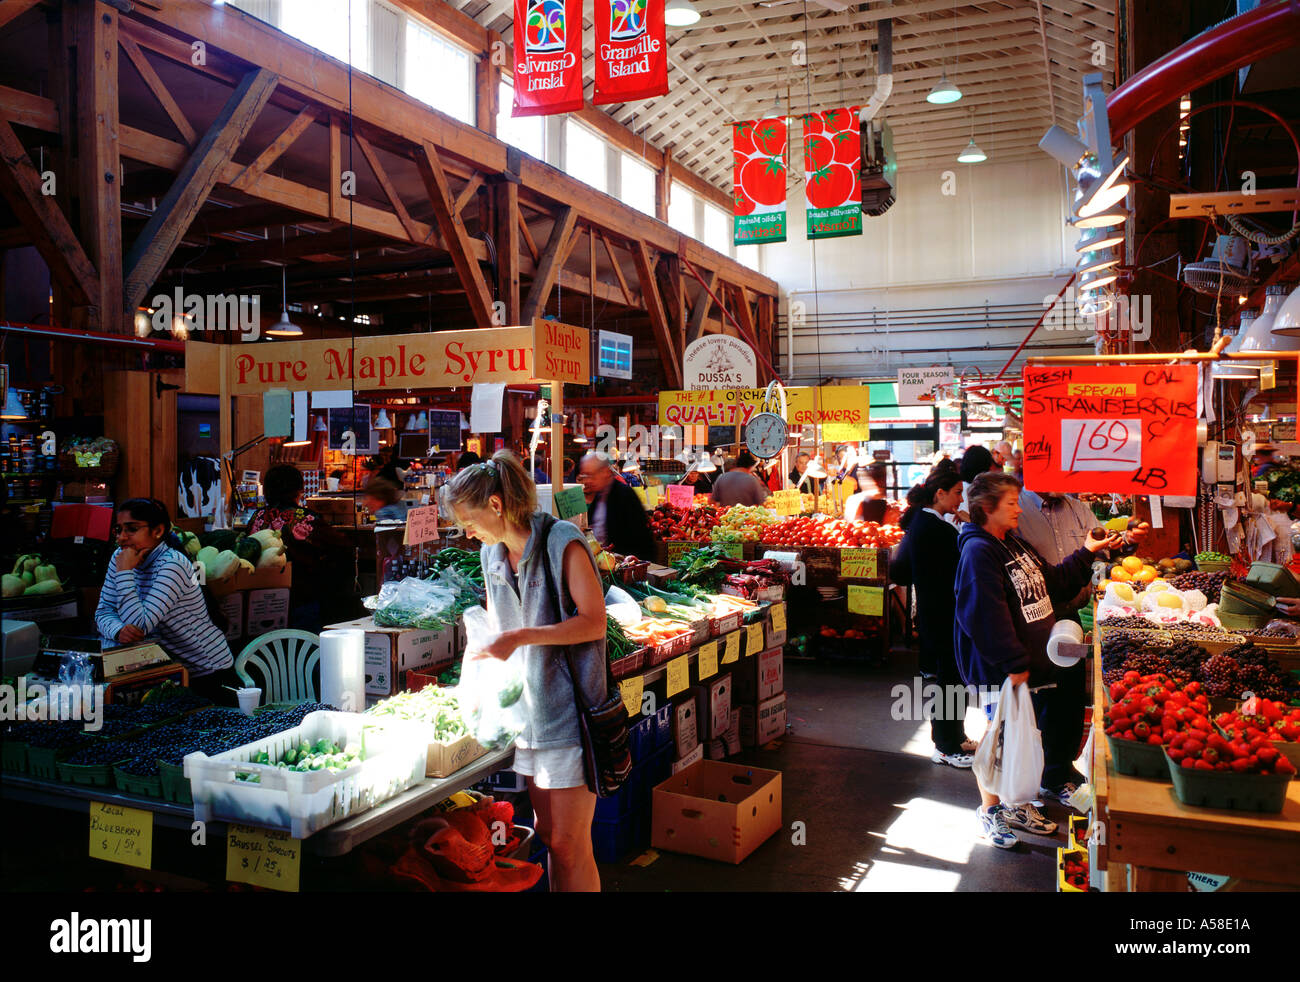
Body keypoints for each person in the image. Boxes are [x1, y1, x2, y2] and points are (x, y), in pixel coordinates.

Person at [445, 452, 607, 892]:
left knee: (572, 844)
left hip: (571, 719)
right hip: (528, 719)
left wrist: (517, 638)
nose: (467, 530)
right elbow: (500, 628)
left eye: (468, 518)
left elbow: (594, 621)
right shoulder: (490, 556)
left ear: (496, 505)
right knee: (552, 839)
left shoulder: (562, 541)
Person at [955, 472, 1118, 849]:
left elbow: (1055, 582)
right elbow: (983, 615)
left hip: (1028, 663)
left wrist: (1087, 551)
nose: (1017, 509)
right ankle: (990, 810)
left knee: (1023, 736)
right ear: (986, 509)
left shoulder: (1014, 543)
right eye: (1010, 503)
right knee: (998, 738)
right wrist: (1013, 662)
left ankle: (1016, 803)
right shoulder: (978, 552)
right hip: (1000, 667)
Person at [95, 498, 236, 702]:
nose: (122, 538)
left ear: (158, 531)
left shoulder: (172, 565)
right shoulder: (120, 557)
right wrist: (118, 630)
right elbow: (103, 611)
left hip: (206, 671)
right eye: (118, 530)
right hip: (164, 669)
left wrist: (125, 572)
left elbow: (139, 625)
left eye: (132, 529)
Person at [891, 470, 976, 767]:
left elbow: (902, 570)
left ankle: (956, 735)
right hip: (943, 614)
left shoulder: (924, 521)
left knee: (954, 677)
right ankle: (946, 745)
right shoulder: (934, 527)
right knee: (950, 678)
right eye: (956, 492)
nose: (959, 499)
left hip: (939, 612)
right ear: (939, 493)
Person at [248, 464, 355, 632]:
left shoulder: (258, 516)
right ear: (298, 491)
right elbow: (343, 546)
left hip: (261, 600)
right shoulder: (306, 518)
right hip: (301, 600)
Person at [578, 451, 654, 560]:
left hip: (626, 566)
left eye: (592, 475)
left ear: (604, 472)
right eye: (586, 476)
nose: (587, 481)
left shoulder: (625, 495)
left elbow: (640, 538)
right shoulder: (597, 495)